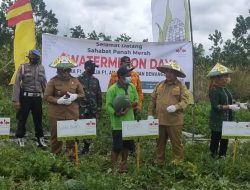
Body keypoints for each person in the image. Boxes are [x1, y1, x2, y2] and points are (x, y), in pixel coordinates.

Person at [147, 61, 188, 166]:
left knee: (176, 143)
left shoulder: (181, 86)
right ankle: (159, 162)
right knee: (159, 143)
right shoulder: (159, 85)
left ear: (176, 74)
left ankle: (177, 164)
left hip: (174, 121)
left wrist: (176, 107)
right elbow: (152, 101)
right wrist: (150, 114)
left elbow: (185, 102)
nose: (168, 74)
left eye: (171, 72)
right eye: (166, 72)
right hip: (160, 120)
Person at [44, 54, 84, 158]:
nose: (64, 73)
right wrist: (58, 101)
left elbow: (82, 95)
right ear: (58, 70)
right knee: (56, 137)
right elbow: (47, 96)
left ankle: (70, 158)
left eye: (67, 70)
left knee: (71, 137)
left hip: (72, 114)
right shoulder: (53, 81)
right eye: (62, 70)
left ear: (70, 70)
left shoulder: (75, 81)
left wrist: (75, 96)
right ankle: (55, 157)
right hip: (56, 114)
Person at [106, 66, 139, 172]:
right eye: (127, 76)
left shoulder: (132, 87)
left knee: (126, 146)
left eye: (130, 76)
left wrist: (129, 106)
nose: (130, 78)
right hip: (118, 123)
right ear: (120, 77)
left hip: (129, 122)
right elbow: (108, 106)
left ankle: (123, 167)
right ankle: (113, 168)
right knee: (117, 147)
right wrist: (116, 113)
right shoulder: (112, 89)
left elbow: (136, 100)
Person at [108, 56, 143, 155]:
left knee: (130, 134)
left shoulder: (135, 75)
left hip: (132, 110)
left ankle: (130, 151)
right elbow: (110, 93)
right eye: (125, 62)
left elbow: (139, 91)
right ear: (121, 63)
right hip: (118, 112)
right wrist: (116, 109)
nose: (128, 64)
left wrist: (138, 105)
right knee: (118, 142)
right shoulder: (114, 76)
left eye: (129, 62)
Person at [12, 49, 47, 147]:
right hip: (25, 97)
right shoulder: (23, 67)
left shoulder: (41, 68)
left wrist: (47, 96)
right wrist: (16, 100)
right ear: (29, 57)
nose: (33, 59)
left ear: (38, 58)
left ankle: (40, 139)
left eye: (35, 58)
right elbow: (17, 84)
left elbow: (44, 83)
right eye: (32, 57)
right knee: (22, 118)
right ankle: (20, 138)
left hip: (37, 98)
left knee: (38, 119)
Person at [207, 63, 243, 158]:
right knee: (215, 139)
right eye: (225, 76)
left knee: (225, 139)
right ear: (217, 78)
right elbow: (216, 107)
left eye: (227, 76)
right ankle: (212, 157)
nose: (227, 78)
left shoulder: (225, 89)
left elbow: (229, 100)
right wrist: (230, 107)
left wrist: (237, 104)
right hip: (218, 121)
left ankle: (222, 156)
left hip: (227, 119)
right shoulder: (214, 91)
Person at [78, 60, 102, 154]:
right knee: (79, 127)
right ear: (86, 67)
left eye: (95, 67)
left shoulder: (95, 80)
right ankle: (76, 147)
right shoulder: (78, 79)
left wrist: (98, 110)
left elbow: (99, 96)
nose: (94, 69)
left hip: (93, 109)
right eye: (92, 67)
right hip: (81, 108)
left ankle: (86, 148)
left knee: (90, 128)